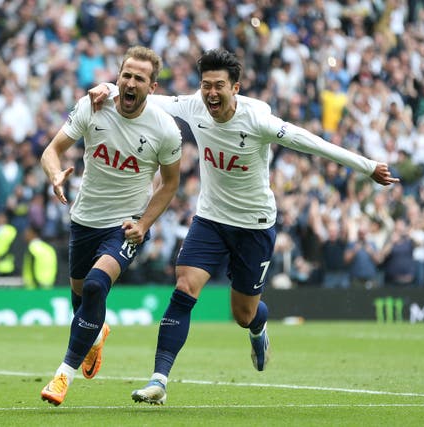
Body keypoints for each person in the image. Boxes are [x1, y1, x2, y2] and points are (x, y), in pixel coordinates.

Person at [90, 48, 399, 405]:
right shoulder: (193, 106)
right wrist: (105, 88)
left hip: (254, 226)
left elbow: (311, 143)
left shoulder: (258, 120)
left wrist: (366, 166)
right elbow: (147, 97)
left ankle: (258, 327)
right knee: (185, 286)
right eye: (206, 85)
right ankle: (159, 380)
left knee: (243, 313)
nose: (211, 94)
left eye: (219, 86)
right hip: (210, 220)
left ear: (235, 87)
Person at [39, 46, 182, 406]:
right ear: (118, 78)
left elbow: (170, 183)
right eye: (126, 76)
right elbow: (52, 150)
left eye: (140, 78)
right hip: (84, 219)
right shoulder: (93, 105)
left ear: (153, 86)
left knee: (94, 286)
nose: (131, 83)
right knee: (81, 300)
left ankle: (62, 376)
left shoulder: (165, 129)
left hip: (126, 224)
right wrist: (55, 175)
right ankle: (96, 333)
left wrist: (145, 222)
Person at [22, 224, 57, 290]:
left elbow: (31, 267)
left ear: (33, 234)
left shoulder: (32, 248)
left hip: (33, 287)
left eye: (27, 232)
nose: (24, 235)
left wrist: (36, 284)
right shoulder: (49, 248)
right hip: (49, 285)